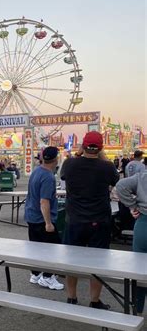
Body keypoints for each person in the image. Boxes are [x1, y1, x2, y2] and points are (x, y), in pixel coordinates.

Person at [61, 131, 119, 309]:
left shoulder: (69, 164)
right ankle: (94, 300)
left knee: (72, 261)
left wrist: (80, 154)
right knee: (98, 262)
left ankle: (71, 297)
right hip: (99, 220)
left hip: (74, 220)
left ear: (82, 146)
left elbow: (64, 176)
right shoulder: (107, 167)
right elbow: (114, 180)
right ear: (101, 148)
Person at [24, 147, 64, 290]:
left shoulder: (36, 171)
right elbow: (44, 201)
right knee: (52, 248)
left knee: (36, 247)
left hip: (31, 215)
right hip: (42, 218)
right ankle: (47, 276)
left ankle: (35, 273)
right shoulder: (48, 176)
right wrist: (48, 222)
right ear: (56, 159)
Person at [116, 170, 147, 312]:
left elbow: (121, 185)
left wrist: (133, 206)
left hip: (144, 223)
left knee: (139, 269)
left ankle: (137, 309)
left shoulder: (143, 175)